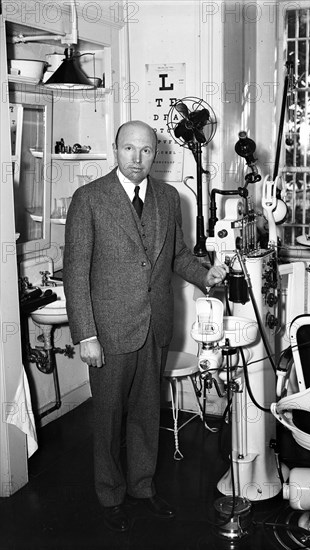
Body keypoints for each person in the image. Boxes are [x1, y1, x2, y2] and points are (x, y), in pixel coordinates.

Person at [63, 120, 227, 532]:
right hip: (109, 330)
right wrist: (86, 333)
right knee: (108, 418)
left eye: (147, 151)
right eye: (129, 149)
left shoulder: (169, 197)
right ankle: (109, 494)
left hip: (154, 326)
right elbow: (75, 273)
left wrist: (205, 276)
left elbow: (178, 256)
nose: (138, 159)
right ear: (115, 149)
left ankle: (141, 486)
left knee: (144, 413)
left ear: (158, 153)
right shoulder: (89, 199)